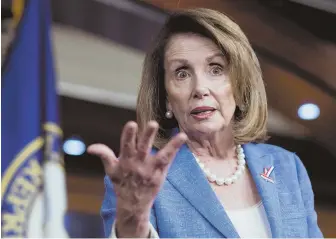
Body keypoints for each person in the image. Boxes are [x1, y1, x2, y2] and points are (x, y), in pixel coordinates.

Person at [87, 8, 323, 238]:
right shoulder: (140, 179)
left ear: (241, 86)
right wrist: (133, 228)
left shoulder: (287, 167)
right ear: (166, 98)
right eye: (182, 73)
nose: (200, 88)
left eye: (216, 69)